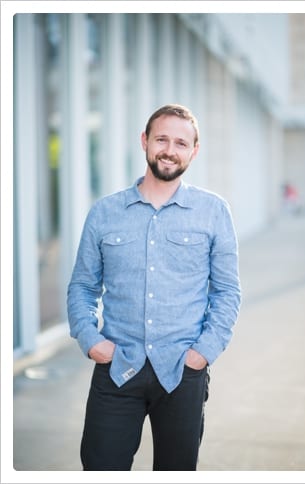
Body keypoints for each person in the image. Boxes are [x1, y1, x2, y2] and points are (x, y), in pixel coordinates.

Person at [67, 104, 242, 470]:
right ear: (145, 141)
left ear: (194, 151)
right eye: (162, 139)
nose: (169, 150)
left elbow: (227, 292)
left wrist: (203, 353)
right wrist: (91, 341)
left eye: (181, 143)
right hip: (116, 368)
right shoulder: (104, 213)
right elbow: (82, 287)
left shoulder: (213, 212)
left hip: (183, 372)